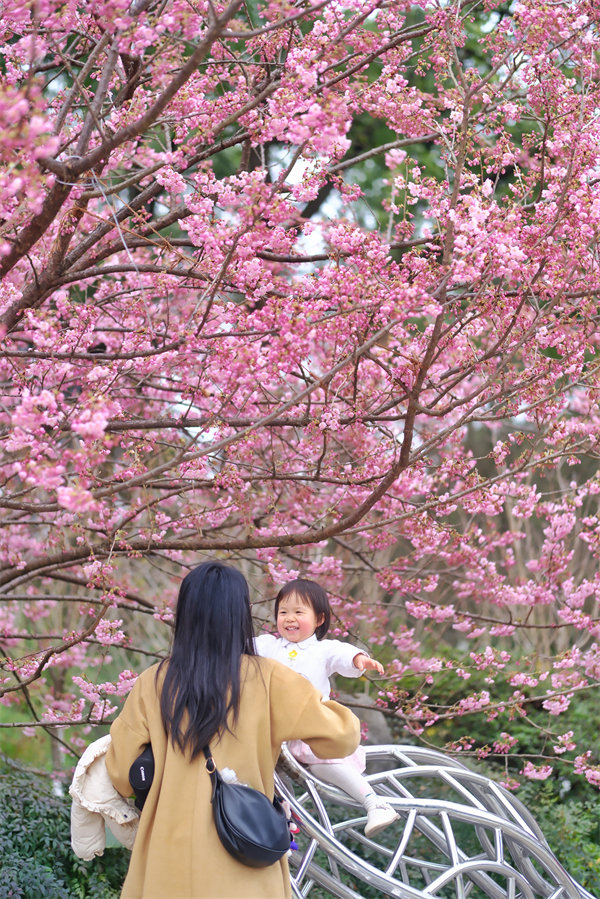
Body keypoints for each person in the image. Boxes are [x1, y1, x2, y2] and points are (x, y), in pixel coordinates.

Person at [105, 561, 360, 899]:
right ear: (238, 615)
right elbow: (342, 737)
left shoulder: (153, 681)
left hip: (166, 862)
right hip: (243, 851)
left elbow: (123, 773)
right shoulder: (269, 678)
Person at [255, 578, 399, 839]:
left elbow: (342, 655)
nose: (289, 618)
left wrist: (360, 659)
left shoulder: (323, 649)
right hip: (271, 730)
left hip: (310, 728)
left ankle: (374, 803)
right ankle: (279, 821)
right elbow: (238, 649)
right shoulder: (268, 646)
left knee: (324, 763)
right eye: (283, 612)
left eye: (299, 612)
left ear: (320, 619)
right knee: (260, 769)